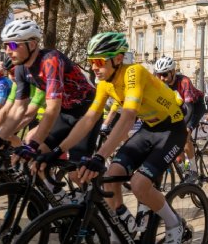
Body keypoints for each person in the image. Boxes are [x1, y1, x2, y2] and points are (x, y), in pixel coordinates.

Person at [35, 32, 187, 244]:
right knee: (111, 176)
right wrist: (58, 151)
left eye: (98, 61)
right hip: (149, 128)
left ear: (117, 59)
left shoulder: (134, 72)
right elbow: (88, 119)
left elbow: (127, 117)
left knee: (139, 184)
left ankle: (174, 224)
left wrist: (99, 156)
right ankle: (123, 221)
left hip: (172, 130)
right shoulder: (104, 84)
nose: (94, 67)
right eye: (91, 62)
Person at [0, 19, 99, 166]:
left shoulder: (50, 60)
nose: (8, 51)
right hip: (65, 113)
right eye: (5, 45)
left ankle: (94, 188)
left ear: (31, 44)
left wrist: (33, 144)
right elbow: (18, 108)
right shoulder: (21, 68)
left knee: (77, 172)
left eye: (12, 45)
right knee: (35, 162)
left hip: (86, 111)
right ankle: (55, 190)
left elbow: (52, 108)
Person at [154, 55, 205, 183]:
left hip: (195, 106)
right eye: (158, 74)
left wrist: (183, 127)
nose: (161, 78)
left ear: (173, 72)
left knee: (184, 135)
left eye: (164, 74)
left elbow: (189, 108)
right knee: (173, 142)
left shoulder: (184, 81)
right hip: (178, 109)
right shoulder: (160, 84)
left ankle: (193, 171)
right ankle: (184, 169)